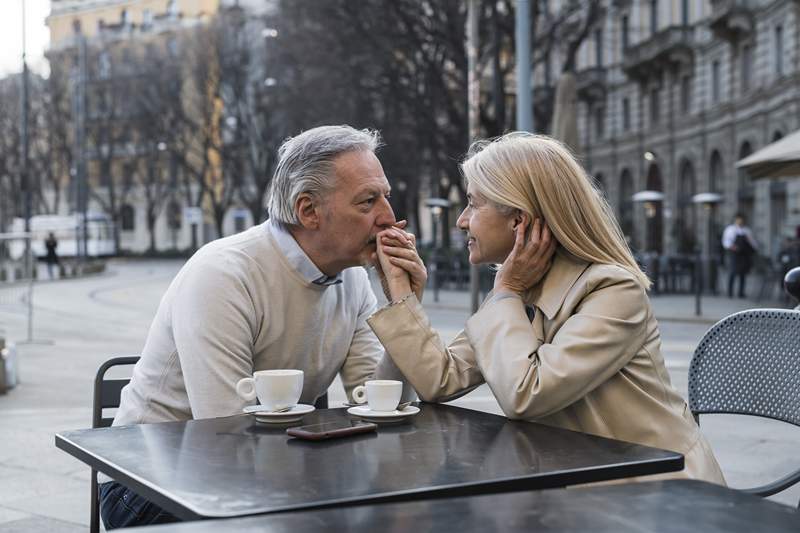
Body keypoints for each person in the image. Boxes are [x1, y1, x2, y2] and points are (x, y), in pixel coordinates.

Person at [99, 125, 416, 529]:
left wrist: (404, 308)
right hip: (149, 483)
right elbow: (225, 428)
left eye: (385, 197)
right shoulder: (224, 273)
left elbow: (379, 402)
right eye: (368, 201)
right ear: (308, 211)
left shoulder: (351, 277)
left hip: (269, 468)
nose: (388, 217)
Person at [369, 132, 725, 484]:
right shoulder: (520, 288)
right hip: (582, 487)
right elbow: (440, 380)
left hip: (659, 491)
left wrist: (507, 291)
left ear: (519, 220)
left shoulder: (613, 289)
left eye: (474, 204)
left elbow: (527, 395)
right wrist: (402, 295)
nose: (462, 220)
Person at [721, 214, 758, 298]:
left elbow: (752, 242)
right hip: (735, 254)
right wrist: (732, 247)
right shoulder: (730, 229)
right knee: (732, 273)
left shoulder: (746, 230)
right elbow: (726, 242)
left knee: (743, 274)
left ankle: (741, 293)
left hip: (744, 255)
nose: (740, 221)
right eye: (739, 219)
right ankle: (730, 292)